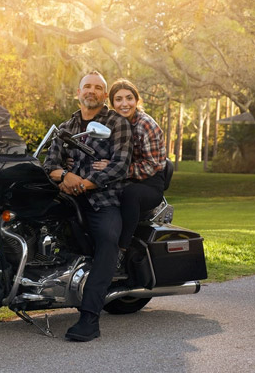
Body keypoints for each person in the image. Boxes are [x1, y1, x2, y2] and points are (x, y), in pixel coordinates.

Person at [44, 71, 132, 342]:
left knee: (107, 239)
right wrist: (64, 176)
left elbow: (121, 164)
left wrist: (86, 183)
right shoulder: (66, 126)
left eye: (97, 88)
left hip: (103, 199)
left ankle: (90, 318)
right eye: (87, 87)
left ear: (104, 95)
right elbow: (50, 164)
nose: (91, 91)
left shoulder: (117, 123)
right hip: (66, 198)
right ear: (78, 92)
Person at [93, 79, 167, 256]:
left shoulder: (145, 125)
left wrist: (115, 168)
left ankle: (121, 250)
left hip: (149, 183)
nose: (124, 104)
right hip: (119, 178)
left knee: (130, 194)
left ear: (137, 100)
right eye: (118, 99)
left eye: (129, 98)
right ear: (112, 103)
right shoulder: (111, 123)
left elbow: (152, 165)